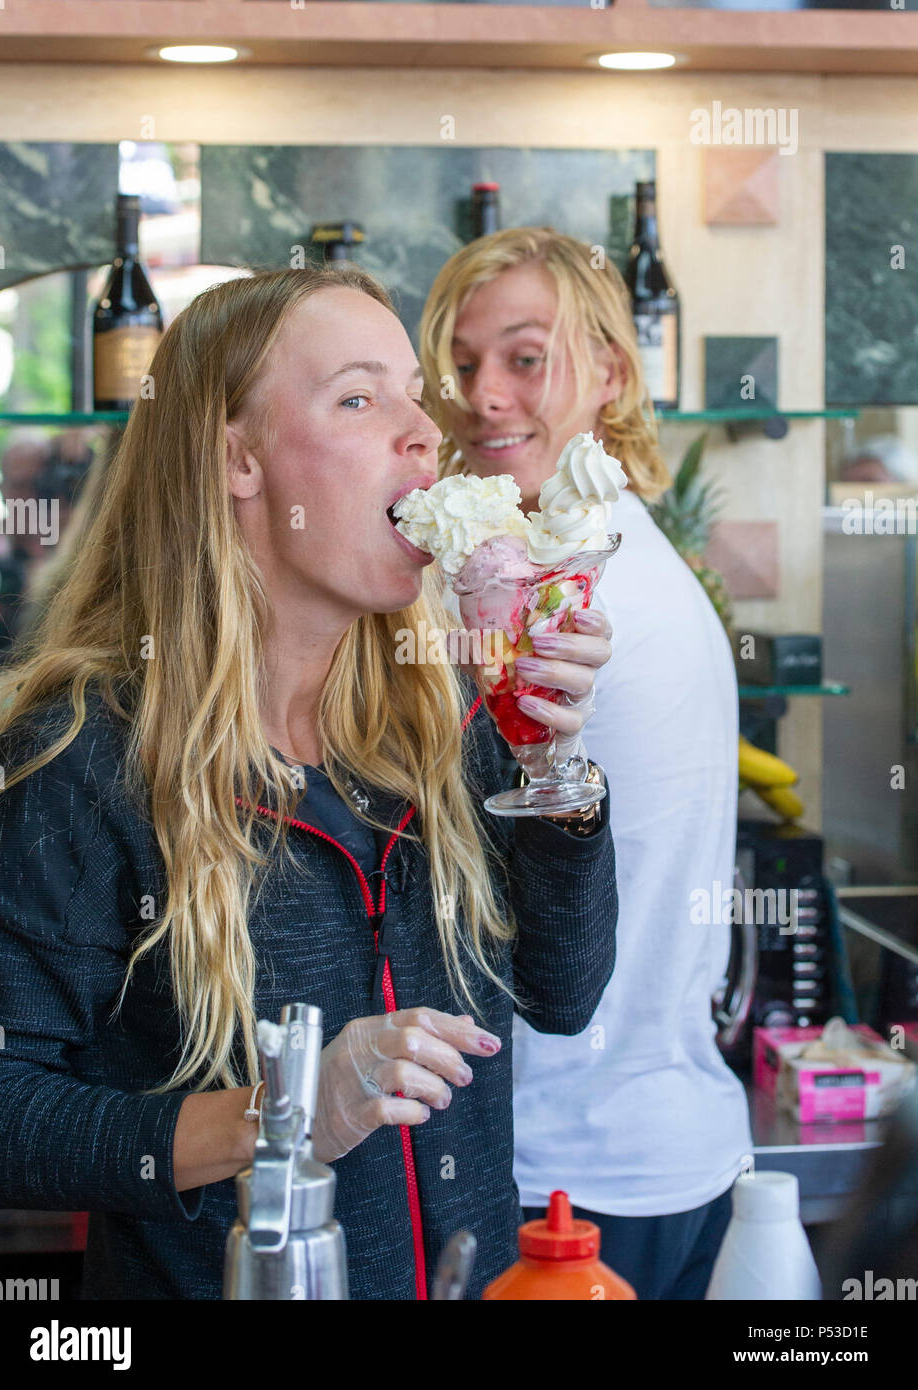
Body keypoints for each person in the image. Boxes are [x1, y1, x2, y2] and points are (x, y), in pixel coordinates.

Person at [0, 264, 618, 1302]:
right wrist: (280, 1112)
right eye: (359, 398)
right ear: (237, 459)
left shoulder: (447, 708)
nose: (424, 431)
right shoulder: (82, 755)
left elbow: (563, 989)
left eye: (415, 392)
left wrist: (554, 764)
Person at [418, 227, 753, 1300]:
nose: (482, 395)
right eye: (462, 363)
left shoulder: (560, 589)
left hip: (568, 1166)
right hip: (655, 1140)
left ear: (610, 372)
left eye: (525, 358)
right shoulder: (607, 547)